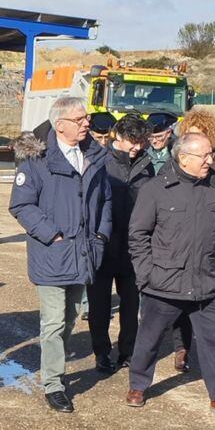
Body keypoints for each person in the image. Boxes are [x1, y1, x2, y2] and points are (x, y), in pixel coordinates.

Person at [125, 128, 215, 420]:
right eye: (204, 155)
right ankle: (138, 386)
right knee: (149, 339)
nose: (210, 160)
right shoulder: (156, 190)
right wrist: (147, 275)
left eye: (211, 154)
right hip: (164, 283)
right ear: (183, 158)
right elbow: (138, 235)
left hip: (208, 282)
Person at [10, 96, 112, 413]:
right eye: (80, 119)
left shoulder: (95, 157)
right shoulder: (37, 161)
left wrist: (100, 235)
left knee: (72, 318)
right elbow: (21, 205)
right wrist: (51, 234)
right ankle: (54, 384)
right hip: (52, 254)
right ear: (60, 124)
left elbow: (105, 201)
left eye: (85, 119)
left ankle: (56, 371)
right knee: (53, 323)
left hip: (84, 252)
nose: (86, 124)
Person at [170, 109, 215, 374]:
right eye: (192, 135)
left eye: (202, 135)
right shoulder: (179, 160)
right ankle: (182, 349)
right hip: (184, 241)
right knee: (180, 302)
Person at [86, 113, 154, 373]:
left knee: (131, 305)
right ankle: (101, 352)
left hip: (134, 248)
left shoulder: (145, 164)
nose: (137, 147)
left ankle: (127, 351)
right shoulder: (99, 161)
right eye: (132, 141)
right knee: (99, 306)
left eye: (141, 142)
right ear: (119, 136)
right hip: (103, 246)